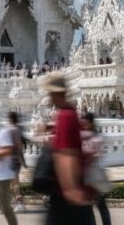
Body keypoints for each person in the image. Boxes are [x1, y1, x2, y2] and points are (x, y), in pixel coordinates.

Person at [40, 71, 94, 225]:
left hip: (66, 197)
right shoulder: (69, 114)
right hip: (69, 194)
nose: (49, 97)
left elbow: (67, 155)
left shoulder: (65, 116)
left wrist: (71, 191)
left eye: (50, 92)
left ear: (56, 93)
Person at [80, 112, 111, 225]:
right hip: (86, 176)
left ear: (91, 123)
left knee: (100, 205)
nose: (84, 125)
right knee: (87, 206)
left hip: (94, 176)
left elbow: (97, 154)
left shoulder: (96, 136)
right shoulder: (83, 135)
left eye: (86, 123)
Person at [7, 111, 26, 212]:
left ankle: (19, 204)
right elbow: (20, 147)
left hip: (11, 159)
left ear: (10, 119)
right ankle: (17, 203)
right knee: (13, 183)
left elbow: (18, 146)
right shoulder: (18, 129)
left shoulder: (12, 130)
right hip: (15, 159)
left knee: (14, 183)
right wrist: (23, 161)